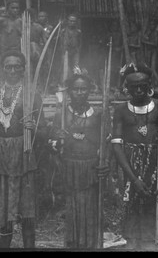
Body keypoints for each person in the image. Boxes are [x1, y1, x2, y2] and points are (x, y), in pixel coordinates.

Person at [111, 63, 158, 250]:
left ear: (150, 86)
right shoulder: (121, 111)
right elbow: (117, 147)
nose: (139, 90)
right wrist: (133, 179)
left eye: (143, 85)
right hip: (131, 168)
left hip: (156, 168)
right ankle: (134, 245)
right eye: (134, 86)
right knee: (132, 213)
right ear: (127, 88)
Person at [0, 50, 44, 248]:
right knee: (3, 211)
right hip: (1, 155)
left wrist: (33, 127)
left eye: (16, 66)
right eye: (8, 66)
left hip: (23, 154)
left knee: (27, 211)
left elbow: (43, 129)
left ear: (23, 69)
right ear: (3, 69)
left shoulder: (32, 95)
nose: (12, 70)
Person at [49, 73, 110, 248]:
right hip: (69, 168)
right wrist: (57, 140)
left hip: (91, 168)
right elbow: (51, 143)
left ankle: (91, 244)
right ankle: (73, 243)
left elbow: (107, 142)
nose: (80, 92)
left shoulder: (98, 115)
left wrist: (104, 162)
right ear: (69, 92)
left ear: (89, 91)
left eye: (84, 89)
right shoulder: (61, 115)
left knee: (91, 208)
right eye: (76, 89)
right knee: (73, 208)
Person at [0, 0, 22, 64]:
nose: (15, 10)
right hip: (4, 51)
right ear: (8, 8)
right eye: (13, 8)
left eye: (17, 8)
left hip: (17, 51)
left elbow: (23, 37)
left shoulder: (20, 21)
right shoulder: (2, 20)